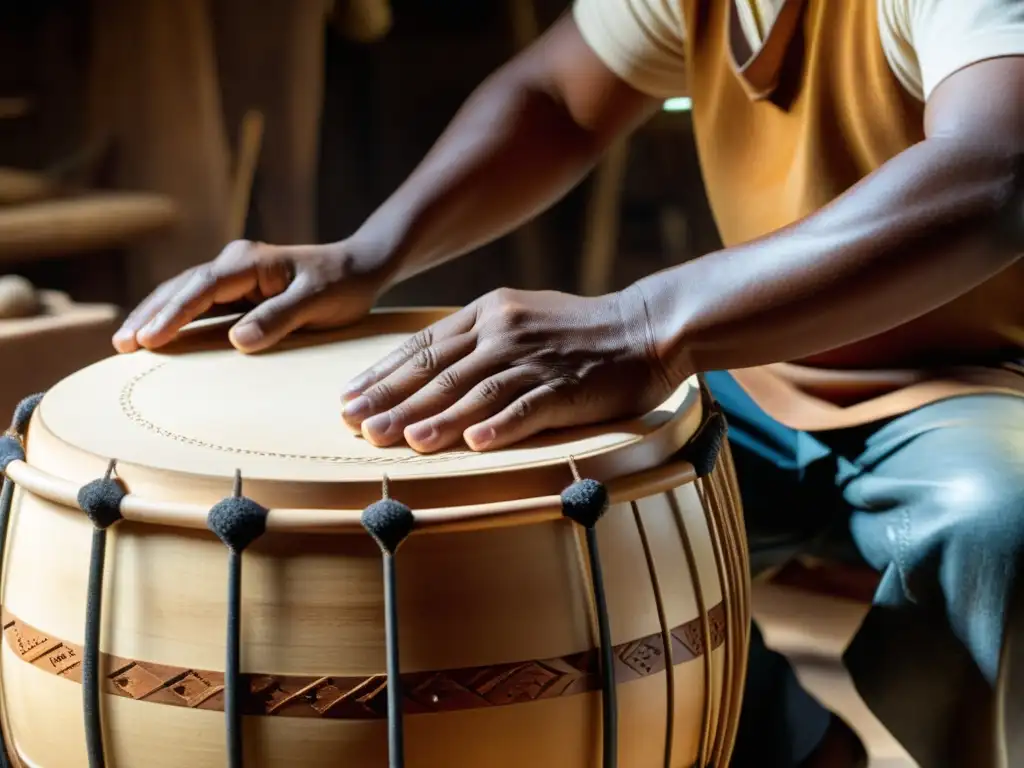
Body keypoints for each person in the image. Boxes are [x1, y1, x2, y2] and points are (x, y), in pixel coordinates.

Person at [112, 0, 1022, 765]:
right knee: (530, 509)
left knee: (1001, 518)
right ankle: (789, 741)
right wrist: (368, 254)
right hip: (754, 357)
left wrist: (641, 324)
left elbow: (1000, 167)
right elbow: (557, 98)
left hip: (984, 377)